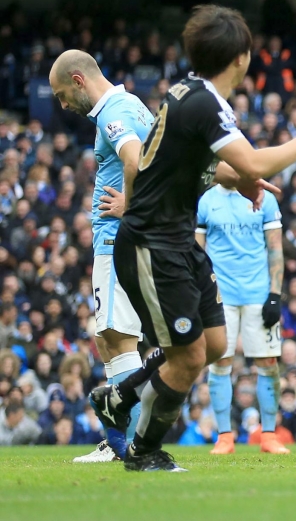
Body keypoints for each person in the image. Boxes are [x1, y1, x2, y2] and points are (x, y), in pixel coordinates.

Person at [89, 5, 296, 472]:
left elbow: (188, 164)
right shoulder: (204, 102)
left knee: (215, 344)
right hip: (151, 245)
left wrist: (233, 179)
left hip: (176, 241)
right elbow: (256, 163)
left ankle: (118, 399)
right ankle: (142, 452)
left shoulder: (189, 92)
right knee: (188, 357)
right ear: (242, 58)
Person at [48, 49, 153, 463]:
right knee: (111, 338)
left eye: (61, 94)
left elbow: (135, 157)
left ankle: (135, 446)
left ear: (78, 81)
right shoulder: (133, 106)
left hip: (117, 240)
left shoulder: (114, 111)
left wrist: (132, 202)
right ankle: (119, 442)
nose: (61, 105)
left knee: (118, 336)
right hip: (121, 241)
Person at [195, 183, 288, 455]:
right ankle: (224, 436)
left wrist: (275, 294)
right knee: (220, 362)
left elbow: (275, 249)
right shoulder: (207, 201)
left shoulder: (264, 199)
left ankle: (268, 435)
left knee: (268, 363)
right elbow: (196, 254)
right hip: (218, 295)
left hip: (258, 294)